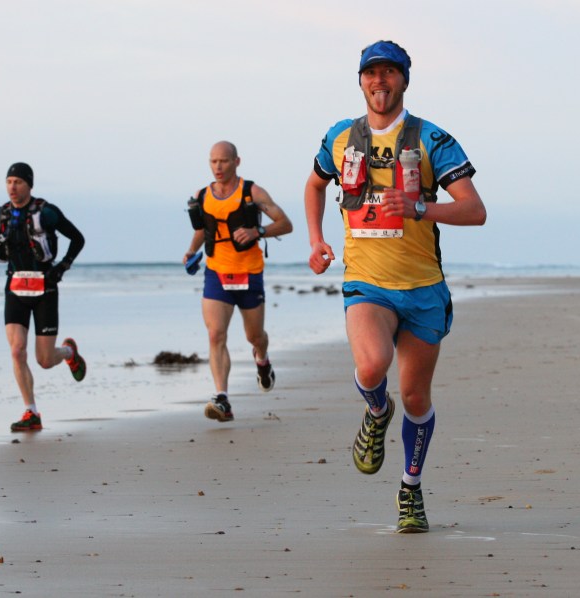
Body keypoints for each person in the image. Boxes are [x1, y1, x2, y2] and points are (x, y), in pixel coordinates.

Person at [304, 40, 487, 533]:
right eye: (371, 73)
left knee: (417, 399)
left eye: (389, 73)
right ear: (360, 81)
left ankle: (410, 490)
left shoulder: (433, 139)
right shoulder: (340, 137)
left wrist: (419, 208)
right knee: (371, 365)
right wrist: (318, 240)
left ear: (404, 80)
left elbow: (475, 210)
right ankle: (375, 411)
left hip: (424, 289)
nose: (379, 81)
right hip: (367, 283)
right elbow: (316, 183)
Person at [183, 141, 292, 423]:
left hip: (249, 273)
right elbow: (201, 230)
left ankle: (263, 360)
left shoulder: (251, 192)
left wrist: (258, 231)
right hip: (216, 273)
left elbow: (285, 223)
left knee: (254, 337)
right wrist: (191, 251)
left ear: (236, 162)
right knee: (215, 334)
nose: (218, 167)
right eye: (213, 161)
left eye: (224, 161)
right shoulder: (201, 196)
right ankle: (222, 398)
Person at [0, 162, 86, 432]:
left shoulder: (47, 212)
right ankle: (31, 412)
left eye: (18, 182)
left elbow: (78, 239)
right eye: (9, 181)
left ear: (29, 185)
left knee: (44, 360)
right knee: (17, 350)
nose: (12, 186)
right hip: (15, 288)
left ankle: (69, 352)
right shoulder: (0, 214)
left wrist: (62, 267)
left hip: (45, 289)